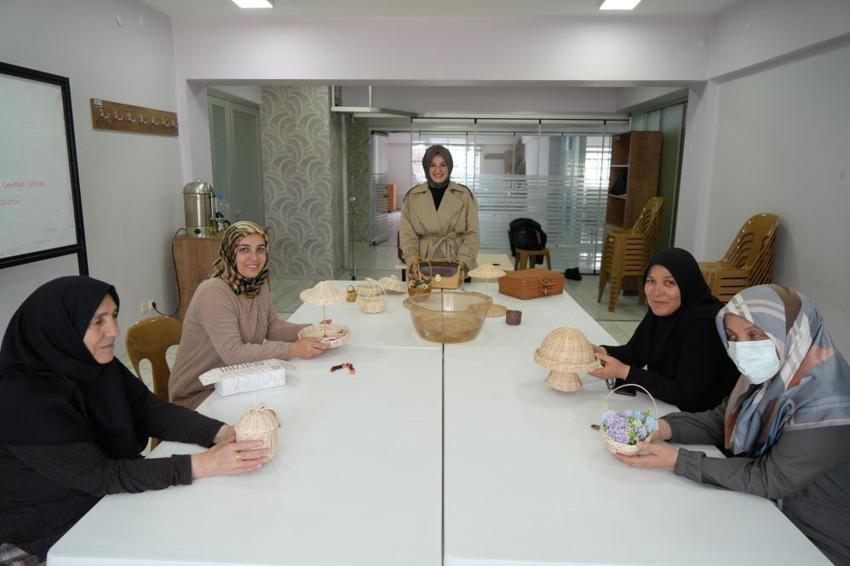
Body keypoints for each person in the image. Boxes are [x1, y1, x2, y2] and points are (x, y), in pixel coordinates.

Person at [0, 277, 268, 562]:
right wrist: (202, 464)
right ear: (60, 328)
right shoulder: (22, 398)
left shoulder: (91, 363)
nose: (114, 330)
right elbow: (101, 476)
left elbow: (149, 410)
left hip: (106, 496)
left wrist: (221, 432)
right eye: (98, 321)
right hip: (54, 522)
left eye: (114, 316)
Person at [616, 285, 850, 565]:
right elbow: (722, 421)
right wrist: (661, 427)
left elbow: (771, 478)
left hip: (815, 540)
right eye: (733, 337)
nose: (743, 348)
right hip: (766, 512)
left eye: (755, 335)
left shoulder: (830, 403)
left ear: (793, 332)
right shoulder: (774, 372)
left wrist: (678, 460)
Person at [169, 221, 329, 409]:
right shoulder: (213, 292)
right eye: (244, 249)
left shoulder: (256, 284)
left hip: (236, 381)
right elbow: (233, 353)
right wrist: (293, 349)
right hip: (200, 394)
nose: (254, 258)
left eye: (260, 249)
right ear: (230, 252)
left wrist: (311, 330)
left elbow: (272, 327)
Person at [589, 247, 739, 412]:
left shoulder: (705, 323)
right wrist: (600, 352)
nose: (656, 292)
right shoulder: (662, 311)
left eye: (669, 283)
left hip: (703, 416)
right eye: (651, 281)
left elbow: (686, 394)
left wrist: (624, 372)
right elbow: (634, 353)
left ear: (687, 284)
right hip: (668, 404)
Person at [399, 144, 480, 273]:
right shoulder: (412, 196)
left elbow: (472, 233)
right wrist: (413, 259)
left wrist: (463, 261)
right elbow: (407, 234)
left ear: (449, 166)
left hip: (456, 262)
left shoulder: (464, 195)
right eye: (432, 165)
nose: (438, 170)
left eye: (443, 165)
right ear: (426, 167)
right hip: (422, 263)